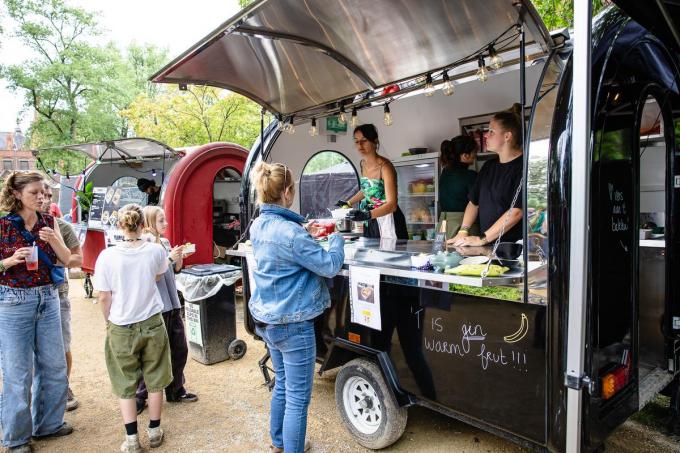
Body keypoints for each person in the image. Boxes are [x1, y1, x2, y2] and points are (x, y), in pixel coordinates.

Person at [249, 162, 345, 453]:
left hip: (268, 320)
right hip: (293, 324)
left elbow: (284, 243)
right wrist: (337, 238)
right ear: (288, 192)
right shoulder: (291, 234)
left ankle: (279, 443)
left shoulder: (258, 225)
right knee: (298, 398)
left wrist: (304, 229)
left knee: (283, 385)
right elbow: (329, 266)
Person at [0, 171, 73, 452]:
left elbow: (67, 260)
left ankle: (48, 424)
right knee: (18, 372)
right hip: (12, 301)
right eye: (34, 193)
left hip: (48, 296)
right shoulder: (3, 225)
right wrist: (8, 261)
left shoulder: (49, 221)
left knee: (54, 366)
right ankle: (16, 439)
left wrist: (54, 239)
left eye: (44, 192)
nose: (41, 197)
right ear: (17, 194)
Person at [94, 204, 172, 452]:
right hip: (151, 320)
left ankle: (131, 439)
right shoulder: (155, 250)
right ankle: (155, 430)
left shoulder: (106, 256)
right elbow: (158, 276)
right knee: (156, 377)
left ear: (119, 225)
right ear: (142, 225)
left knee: (125, 381)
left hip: (121, 323)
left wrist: (108, 321)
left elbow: (104, 296)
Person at [136, 206, 197, 414]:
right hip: (156, 307)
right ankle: (140, 396)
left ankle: (176, 390)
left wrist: (178, 258)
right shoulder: (143, 244)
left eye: (165, 220)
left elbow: (174, 270)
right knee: (154, 354)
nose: (166, 224)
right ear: (149, 222)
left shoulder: (165, 241)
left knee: (179, 349)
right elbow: (150, 274)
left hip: (172, 303)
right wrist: (170, 259)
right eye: (161, 221)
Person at [448, 104, 524, 247]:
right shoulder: (489, 166)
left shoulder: (524, 167)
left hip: (513, 248)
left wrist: (482, 239)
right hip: (488, 247)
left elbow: (516, 212)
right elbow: (473, 202)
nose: (486, 135)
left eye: (491, 131)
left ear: (507, 136)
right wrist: (463, 231)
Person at [42, 183, 83, 412]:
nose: (46, 200)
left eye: (49, 196)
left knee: (63, 344)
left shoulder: (63, 227)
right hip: (26, 296)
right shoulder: (16, 226)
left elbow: (78, 260)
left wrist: (57, 258)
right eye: (41, 195)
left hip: (58, 293)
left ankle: (63, 386)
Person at [340, 124, 408, 239]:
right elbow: (367, 189)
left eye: (364, 140)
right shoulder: (363, 164)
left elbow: (392, 205)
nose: (360, 145)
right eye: (356, 141)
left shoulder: (385, 167)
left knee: (391, 256)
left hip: (389, 220)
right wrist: (348, 203)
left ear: (375, 141)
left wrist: (367, 214)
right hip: (371, 220)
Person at [438, 135, 479, 238]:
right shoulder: (471, 175)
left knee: (443, 253)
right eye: (474, 151)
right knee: (463, 254)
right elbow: (476, 203)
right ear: (465, 155)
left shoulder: (445, 173)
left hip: (443, 224)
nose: (475, 154)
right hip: (463, 225)